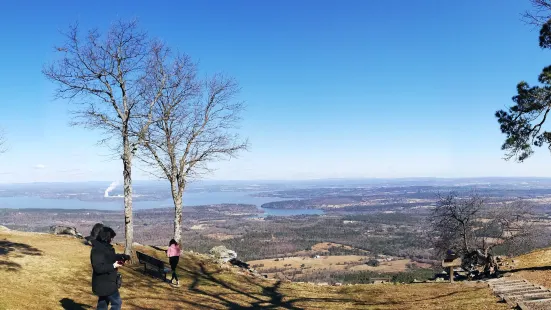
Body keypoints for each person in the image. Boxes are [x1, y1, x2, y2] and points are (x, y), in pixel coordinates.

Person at [90, 226, 130, 310]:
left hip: (106, 283)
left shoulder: (104, 247)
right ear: (106, 237)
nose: (112, 239)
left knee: (102, 304)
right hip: (104, 283)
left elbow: (110, 257)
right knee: (117, 303)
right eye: (111, 237)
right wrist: (114, 265)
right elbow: (98, 267)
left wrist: (122, 256)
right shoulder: (97, 250)